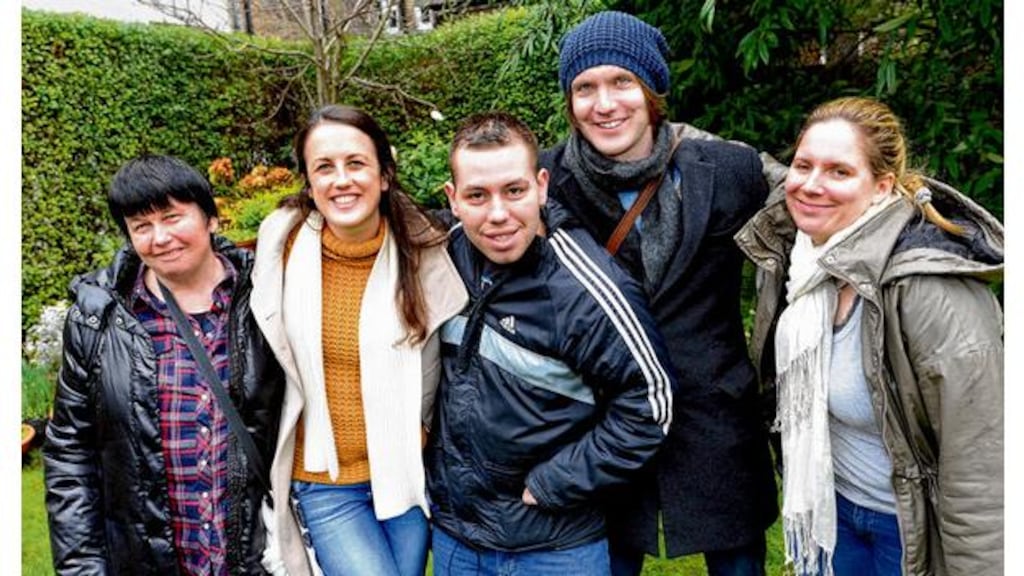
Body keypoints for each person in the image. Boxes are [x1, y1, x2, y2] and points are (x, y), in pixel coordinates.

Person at [540, 11, 779, 576]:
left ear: (652, 89)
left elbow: (824, 209)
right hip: (604, 426)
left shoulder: (730, 169)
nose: (604, 104)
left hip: (716, 421)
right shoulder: (547, 180)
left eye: (622, 81)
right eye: (585, 88)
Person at [735, 96, 1004, 575]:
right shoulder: (806, 258)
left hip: (907, 529)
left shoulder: (929, 289)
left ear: (882, 187)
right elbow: (751, 164)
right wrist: (648, 125)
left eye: (839, 172)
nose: (811, 185)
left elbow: (982, 465)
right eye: (804, 165)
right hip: (833, 512)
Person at [425, 111, 675, 576]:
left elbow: (651, 403)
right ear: (453, 199)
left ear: (541, 186)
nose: (498, 214)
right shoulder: (441, 257)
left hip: (554, 547)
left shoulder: (586, 289)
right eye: (477, 195)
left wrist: (554, 483)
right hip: (457, 538)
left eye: (514, 191)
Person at [250, 104, 468, 576]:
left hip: (405, 474)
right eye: (324, 168)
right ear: (309, 183)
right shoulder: (280, 247)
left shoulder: (426, 250)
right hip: (325, 480)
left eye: (356, 163)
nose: (342, 180)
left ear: (384, 175)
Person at [44, 154, 286, 575]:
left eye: (172, 218)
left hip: (256, 560)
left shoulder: (267, 299)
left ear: (211, 218)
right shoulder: (99, 320)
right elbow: (70, 455)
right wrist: (82, 568)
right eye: (141, 226)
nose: (160, 238)